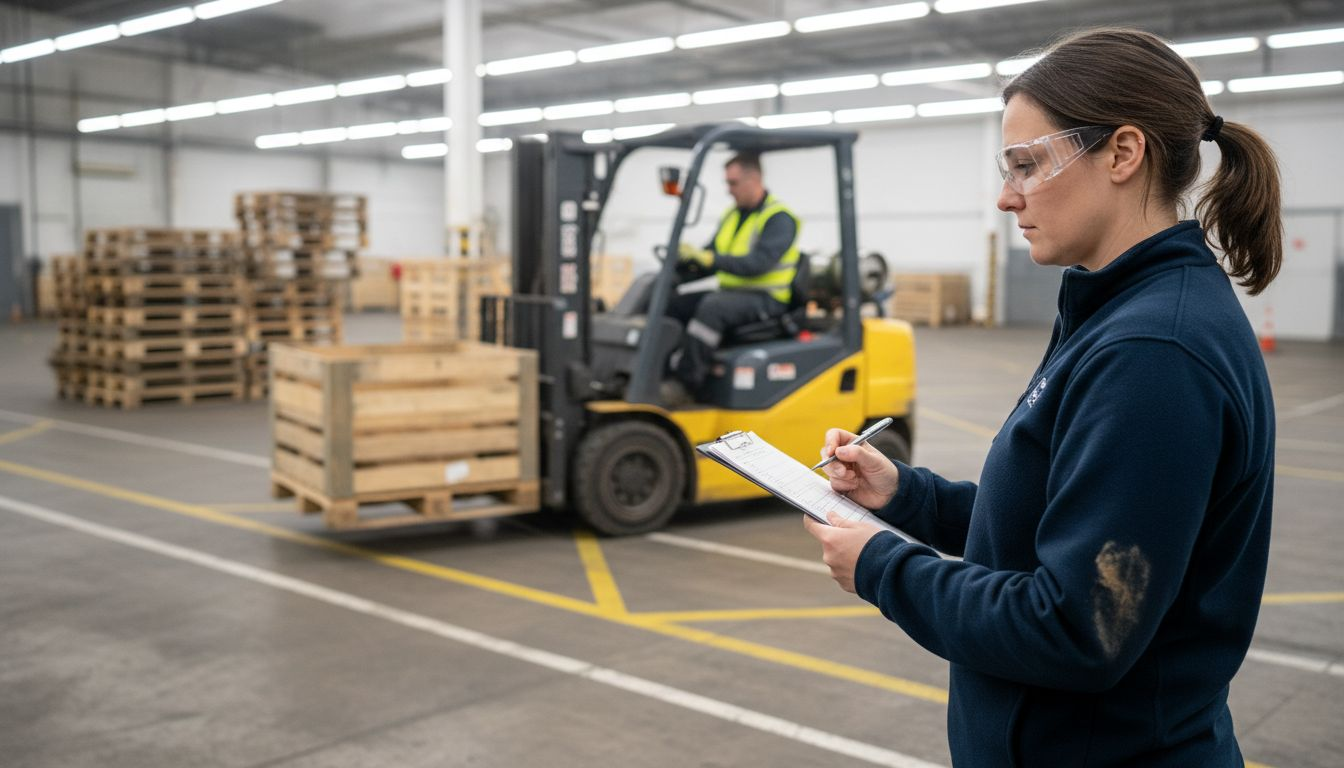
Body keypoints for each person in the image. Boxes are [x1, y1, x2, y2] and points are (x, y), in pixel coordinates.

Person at [805, 27, 1281, 767]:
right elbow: (1054, 526)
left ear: (1123, 154)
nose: (1006, 196)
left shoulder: (1152, 354)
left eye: (1029, 165)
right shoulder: (1115, 314)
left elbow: (1075, 628)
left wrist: (880, 567)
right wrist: (907, 496)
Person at [662, 152, 801, 405]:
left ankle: (686, 383)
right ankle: (659, 371)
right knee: (672, 302)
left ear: (754, 179)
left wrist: (710, 259)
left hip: (768, 299)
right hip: (733, 293)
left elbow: (757, 264)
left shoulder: (779, 219)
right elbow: (711, 255)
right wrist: (685, 265)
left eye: (733, 183)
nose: (728, 190)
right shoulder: (732, 215)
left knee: (712, 307)